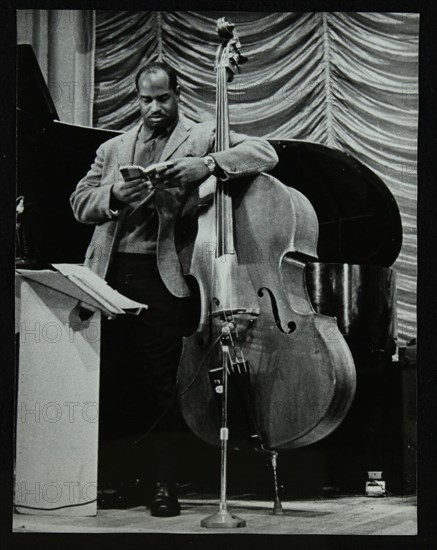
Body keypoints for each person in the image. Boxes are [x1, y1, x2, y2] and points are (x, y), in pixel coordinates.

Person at [70, 61, 278, 517]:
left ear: (177, 94)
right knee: (116, 383)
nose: (155, 108)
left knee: (162, 385)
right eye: (146, 100)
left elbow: (265, 153)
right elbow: (79, 203)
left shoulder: (201, 135)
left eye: (163, 98)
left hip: (167, 278)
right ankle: (123, 480)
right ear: (136, 99)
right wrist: (112, 198)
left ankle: (165, 485)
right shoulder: (113, 148)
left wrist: (204, 165)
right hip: (107, 275)